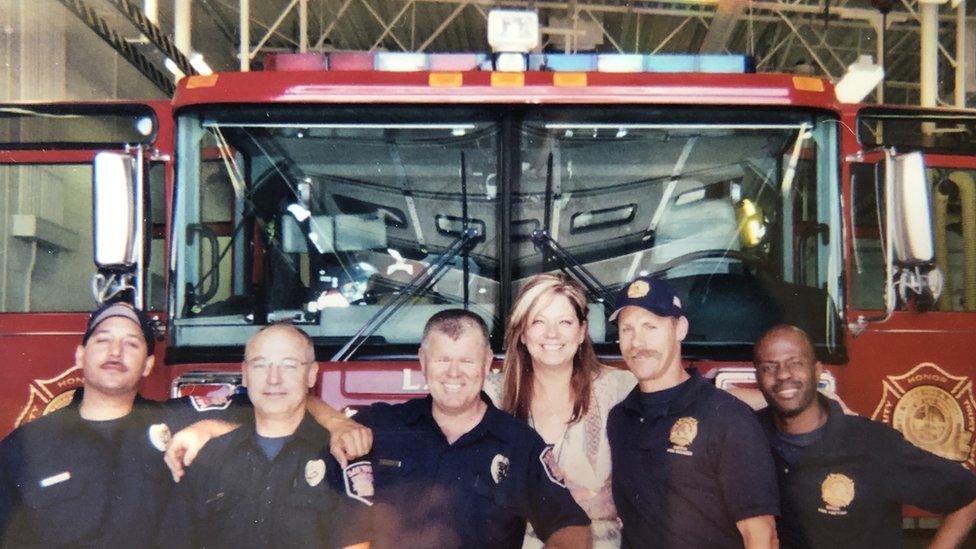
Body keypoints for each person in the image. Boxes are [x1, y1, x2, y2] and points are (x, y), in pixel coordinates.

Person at [344, 309, 592, 548]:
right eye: (442, 360)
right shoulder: (381, 424)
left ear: (486, 364)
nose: (454, 373)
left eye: (466, 361)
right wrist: (335, 424)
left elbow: (572, 528)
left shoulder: (519, 444)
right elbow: (309, 424)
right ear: (423, 361)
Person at [753, 324, 976, 548]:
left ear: (817, 370)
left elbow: (968, 496)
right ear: (757, 377)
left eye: (795, 363)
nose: (782, 374)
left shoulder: (874, 444)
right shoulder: (747, 436)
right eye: (768, 367)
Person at [158, 323, 370, 549]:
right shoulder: (207, 458)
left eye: (288, 366)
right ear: (245, 374)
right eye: (260, 366)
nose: (273, 379)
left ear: (311, 375)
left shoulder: (340, 458)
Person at [606, 275, 780, 548]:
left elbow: (761, 536)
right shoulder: (620, 419)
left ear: (680, 329)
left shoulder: (727, 417)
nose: (637, 342)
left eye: (650, 326)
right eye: (627, 329)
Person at [0, 301, 188, 547]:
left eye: (131, 343)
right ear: (80, 356)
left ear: (148, 365)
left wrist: (206, 429)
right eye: (103, 340)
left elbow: (250, 416)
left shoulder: (180, 426)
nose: (115, 352)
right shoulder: (26, 446)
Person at [488, 273, 634, 548]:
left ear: (581, 332)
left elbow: (689, 399)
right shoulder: (493, 395)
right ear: (521, 333)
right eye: (538, 322)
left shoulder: (619, 389)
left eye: (564, 322)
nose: (551, 334)